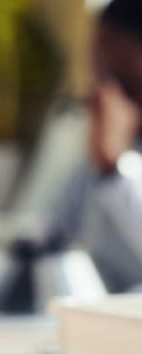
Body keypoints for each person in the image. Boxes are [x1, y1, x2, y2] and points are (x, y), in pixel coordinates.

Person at [19, 0, 142, 294]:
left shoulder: (112, 160)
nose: (94, 60)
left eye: (105, 43)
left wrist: (113, 169)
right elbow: (45, 228)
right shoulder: (85, 137)